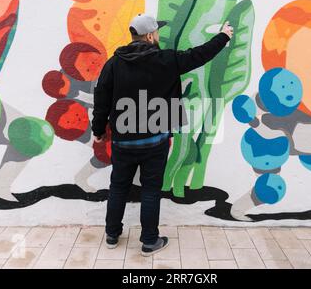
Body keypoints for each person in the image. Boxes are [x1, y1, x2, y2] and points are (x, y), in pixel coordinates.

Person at [92, 14, 234, 256]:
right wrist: (223, 36)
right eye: (156, 32)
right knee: (150, 190)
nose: (158, 35)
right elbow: (199, 54)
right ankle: (149, 241)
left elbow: (101, 99)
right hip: (154, 141)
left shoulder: (114, 64)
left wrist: (98, 131)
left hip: (123, 141)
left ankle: (112, 234)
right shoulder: (167, 60)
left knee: (118, 187)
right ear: (149, 36)